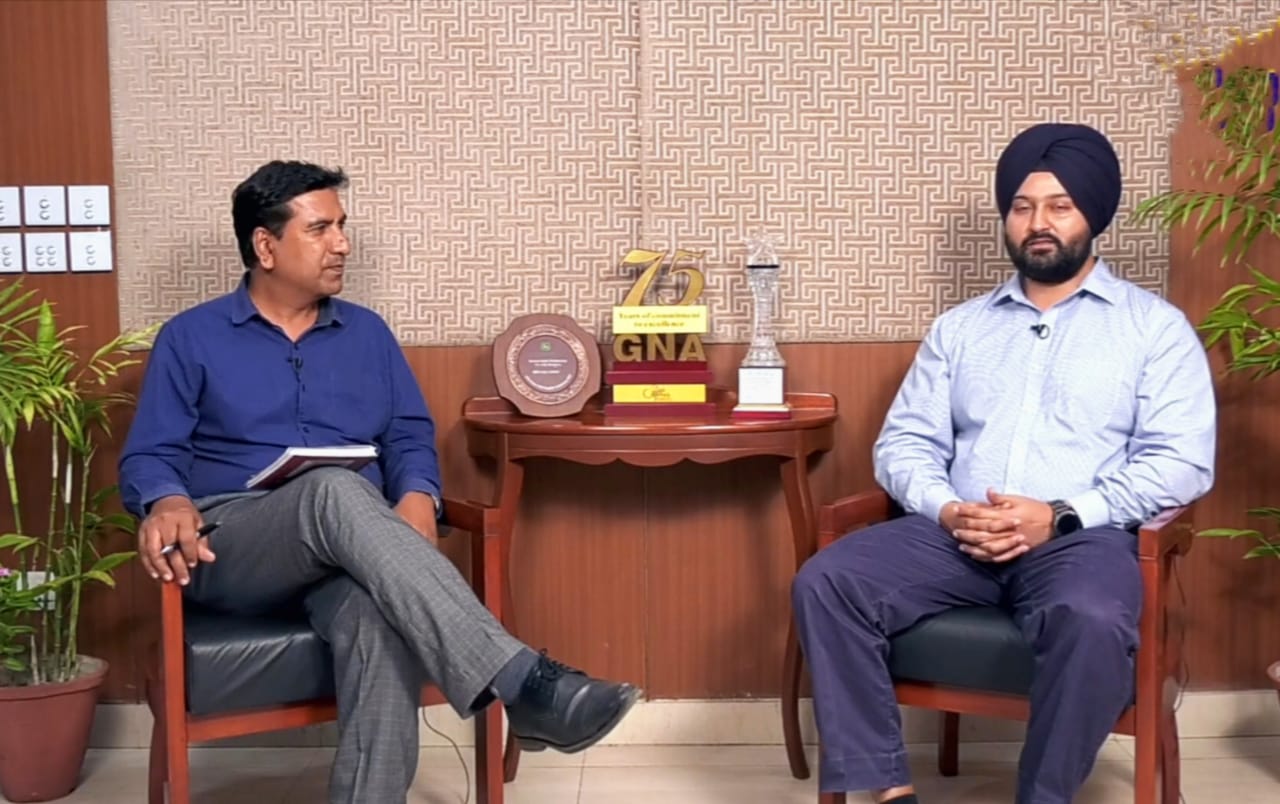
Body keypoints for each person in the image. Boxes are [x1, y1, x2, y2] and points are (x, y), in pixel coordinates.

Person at [119, 160, 639, 804]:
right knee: (333, 489)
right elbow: (149, 455)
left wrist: (419, 494)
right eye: (321, 229)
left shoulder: (366, 333)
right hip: (234, 547)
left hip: (348, 554)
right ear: (265, 245)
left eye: (342, 226)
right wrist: (166, 499)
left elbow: (408, 435)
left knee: (377, 615)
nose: (342, 244)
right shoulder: (191, 337)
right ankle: (522, 682)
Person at [791, 123, 1216, 804]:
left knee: (1091, 616)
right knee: (828, 580)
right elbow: (903, 444)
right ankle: (886, 789)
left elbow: (1181, 463)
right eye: (1022, 207)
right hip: (955, 535)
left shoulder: (1153, 329)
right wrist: (947, 509)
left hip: (1080, 540)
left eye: (1059, 206)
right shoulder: (961, 328)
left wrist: (1060, 515)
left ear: (1092, 216)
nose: (1038, 223)